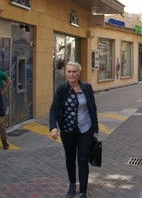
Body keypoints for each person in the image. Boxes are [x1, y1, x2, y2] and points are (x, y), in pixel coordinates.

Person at [49, 61, 99, 198]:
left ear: (79, 73)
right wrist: (53, 127)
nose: (71, 74)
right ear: (66, 73)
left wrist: (95, 129)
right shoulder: (62, 89)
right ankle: (72, 184)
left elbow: (92, 109)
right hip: (68, 130)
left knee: (82, 160)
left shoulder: (87, 88)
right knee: (70, 158)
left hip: (85, 130)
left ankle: (83, 190)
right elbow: (54, 109)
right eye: (69, 71)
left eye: (74, 71)